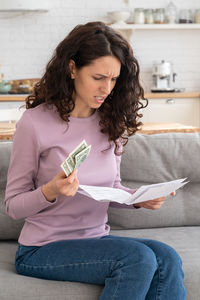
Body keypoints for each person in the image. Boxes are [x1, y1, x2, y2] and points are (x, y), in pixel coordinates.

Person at [5, 21, 186, 300]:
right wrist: (50, 191)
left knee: (167, 258)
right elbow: (13, 206)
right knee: (137, 258)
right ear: (73, 68)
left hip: (94, 239)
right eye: (99, 77)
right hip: (42, 249)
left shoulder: (110, 121)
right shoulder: (35, 123)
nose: (107, 88)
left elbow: (110, 189)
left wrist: (137, 198)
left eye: (113, 80)